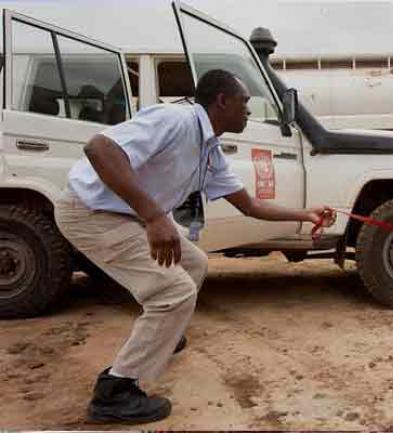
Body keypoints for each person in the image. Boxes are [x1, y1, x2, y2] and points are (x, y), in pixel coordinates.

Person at [54, 69, 335, 423]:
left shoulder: (209, 150)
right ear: (222, 101)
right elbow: (99, 148)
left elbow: (250, 206)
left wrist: (305, 214)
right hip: (90, 213)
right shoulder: (175, 119)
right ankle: (115, 391)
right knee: (173, 292)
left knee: (194, 264)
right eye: (245, 103)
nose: (249, 111)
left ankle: (163, 339)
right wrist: (155, 217)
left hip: (126, 215)